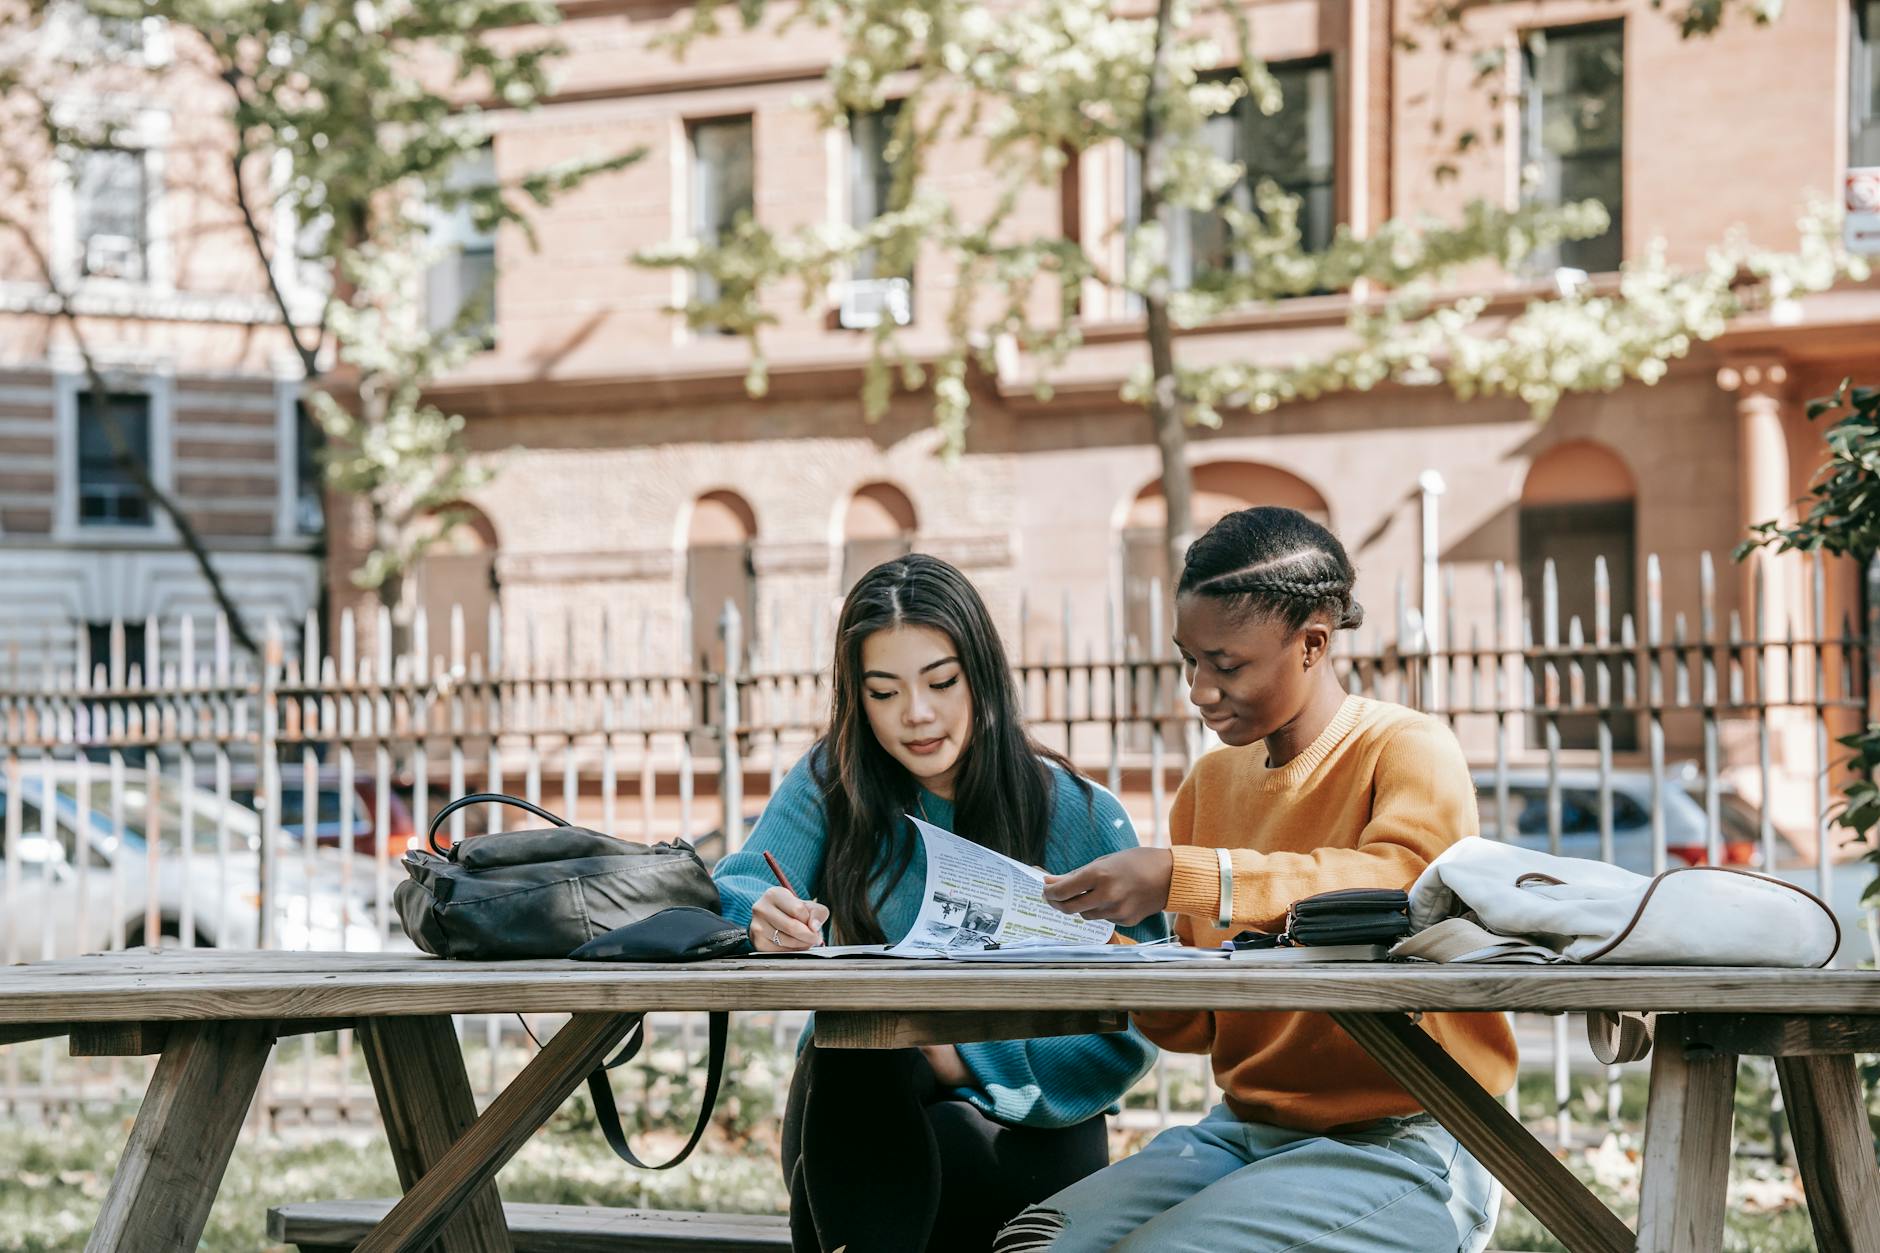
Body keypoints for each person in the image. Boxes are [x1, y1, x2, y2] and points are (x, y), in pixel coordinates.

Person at [1001, 507, 1517, 1253]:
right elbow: (1202, 1023)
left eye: (1227, 664)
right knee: (1031, 1245)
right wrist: (1094, 946)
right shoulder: (1209, 785)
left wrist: (1188, 875)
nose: (1198, 689)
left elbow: (1402, 887)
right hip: (1245, 1132)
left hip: (1410, 1135)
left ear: (1313, 643)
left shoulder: (1406, 747)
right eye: (1189, 660)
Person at [713, 554, 1167, 1253]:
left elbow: (1140, 1017)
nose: (916, 714)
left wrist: (961, 1060)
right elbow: (736, 885)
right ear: (856, 697)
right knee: (864, 1045)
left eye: (941, 682)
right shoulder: (831, 782)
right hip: (857, 1092)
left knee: (934, 1143)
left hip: (1031, 1120)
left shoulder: (1079, 813)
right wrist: (759, 916)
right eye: (883, 691)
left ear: (981, 674)